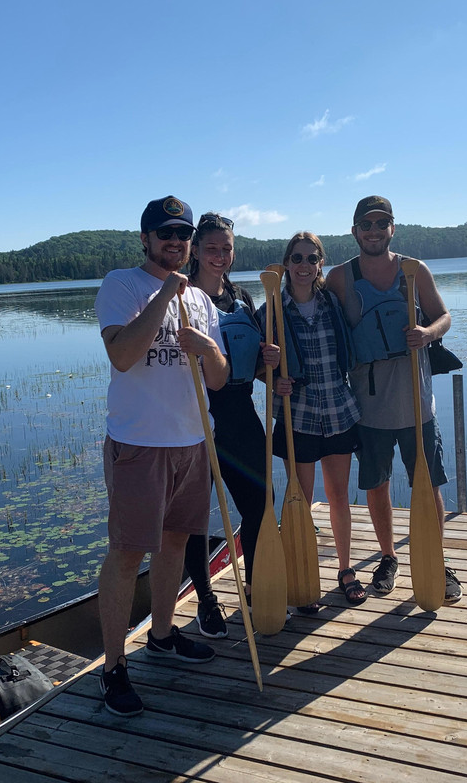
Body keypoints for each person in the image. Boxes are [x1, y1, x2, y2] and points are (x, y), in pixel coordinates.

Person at [93, 195, 228, 717]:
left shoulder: (203, 302)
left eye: (183, 234)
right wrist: (166, 293)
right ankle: (112, 668)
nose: (176, 242)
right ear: (145, 239)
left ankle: (164, 635)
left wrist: (208, 349)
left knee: (176, 546)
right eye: (165, 233)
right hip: (139, 444)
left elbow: (217, 378)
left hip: (193, 443)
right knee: (128, 554)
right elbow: (124, 356)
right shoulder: (121, 285)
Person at [325, 195, 463, 604]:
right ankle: (388, 557)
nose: (373, 231)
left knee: (428, 483)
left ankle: (434, 559)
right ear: (354, 231)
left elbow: (445, 317)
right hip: (369, 410)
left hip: (418, 403)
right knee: (377, 485)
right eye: (365, 225)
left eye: (381, 223)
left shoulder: (414, 269)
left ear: (392, 228)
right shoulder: (339, 278)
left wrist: (428, 333)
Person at [182, 211, 279, 636]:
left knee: (260, 502)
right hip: (195, 416)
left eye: (227, 249)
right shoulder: (181, 297)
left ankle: (259, 588)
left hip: (240, 412)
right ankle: (205, 601)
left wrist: (268, 364)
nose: (220, 256)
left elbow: (253, 363)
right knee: (195, 516)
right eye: (211, 249)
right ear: (196, 252)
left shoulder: (241, 297)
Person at [257, 232, 365, 607]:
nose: (304, 265)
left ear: (320, 264)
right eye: (298, 258)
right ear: (287, 263)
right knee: (298, 500)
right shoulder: (270, 308)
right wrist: (272, 375)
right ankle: (301, 575)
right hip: (296, 416)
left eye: (312, 258)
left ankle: (346, 570)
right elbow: (258, 364)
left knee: (338, 498)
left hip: (338, 412)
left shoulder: (331, 303)